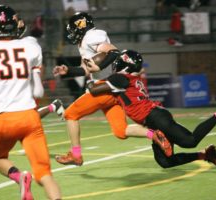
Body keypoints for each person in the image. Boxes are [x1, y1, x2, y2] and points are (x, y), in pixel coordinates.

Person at [0, 5, 62, 200]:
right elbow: (37, 90)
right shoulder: (30, 46)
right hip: (30, 117)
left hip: (4, 119)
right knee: (45, 174)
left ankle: (20, 177)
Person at [87, 49, 216, 168]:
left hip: (154, 117)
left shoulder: (120, 77)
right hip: (153, 119)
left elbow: (94, 91)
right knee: (165, 161)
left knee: (189, 141)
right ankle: (206, 155)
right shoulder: (129, 77)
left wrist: (88, 78)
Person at [53, 12, 172, 166]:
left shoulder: (91, 36)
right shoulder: (86, 41)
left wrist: (98, 66)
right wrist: (68, 71)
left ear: (79, 26)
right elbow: (85, 70)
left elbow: (114, 52)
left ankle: (76, 155)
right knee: (120, 131)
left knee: (70, 115)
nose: (71, 33)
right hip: (112, 90)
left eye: (72, 29)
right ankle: (155, 134)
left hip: (104, 87)